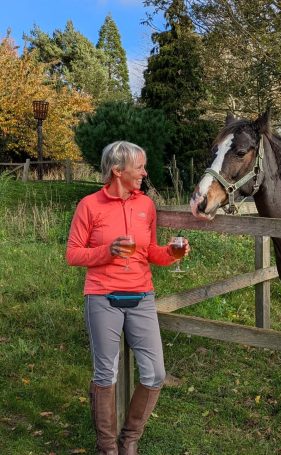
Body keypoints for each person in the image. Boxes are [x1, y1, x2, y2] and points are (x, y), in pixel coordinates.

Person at [66, 141, 189, 455]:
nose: (145, 173)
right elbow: (73, 254)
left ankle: (129, 439)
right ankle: (107, 446)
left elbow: (151, 253)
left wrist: (173, 254)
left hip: (141, 296)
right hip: (102, 297)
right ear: (118, 170)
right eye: (140, 167)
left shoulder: (145, 205)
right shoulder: (89, 205)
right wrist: (107, 251)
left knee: (155, 373)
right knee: (105, 372)